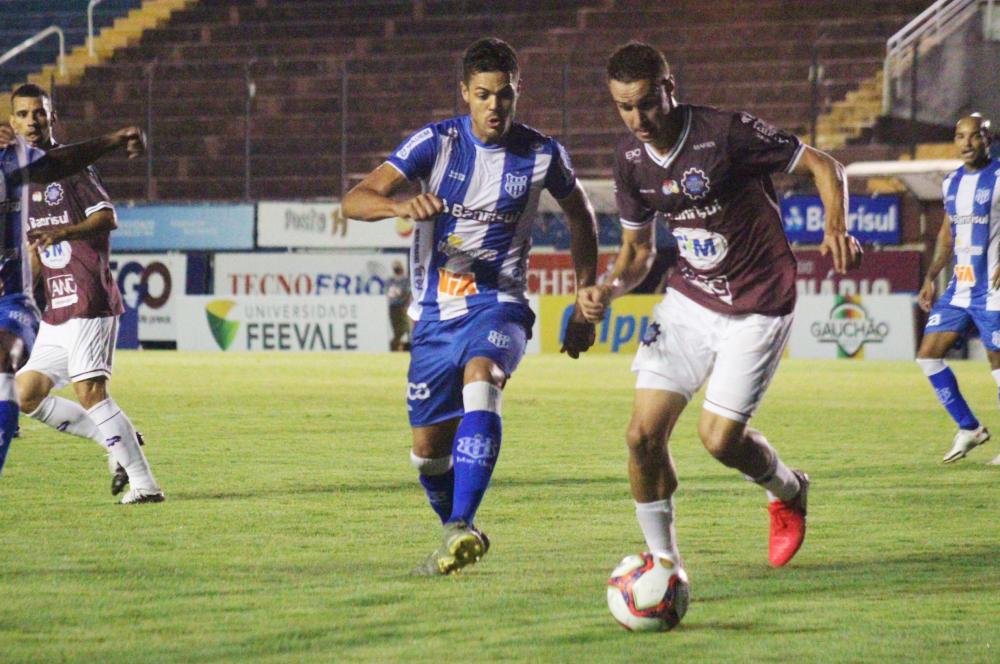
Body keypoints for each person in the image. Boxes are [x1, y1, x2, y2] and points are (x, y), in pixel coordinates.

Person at [577, 42, 861, 571]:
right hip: (689, 300)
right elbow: (637, 254)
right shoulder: (630, 161)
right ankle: (663, 567)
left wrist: (835, 225)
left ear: (670, 87)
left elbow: (824, 164)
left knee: (719, 440)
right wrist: (609, 289)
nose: (637, 118)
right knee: (641, 436)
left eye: (646, 102)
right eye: (624, 107)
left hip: (759, 301)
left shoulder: (725, 132)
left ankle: (787, 488)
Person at [342, 37, 599, 575]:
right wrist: (397, 203)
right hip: (436, 316)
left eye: (504, 95)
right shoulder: (434, 144)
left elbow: (582, 217)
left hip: (500, 305)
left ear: (517, 92)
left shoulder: (542, 153)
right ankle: (457, 532)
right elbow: (354, 198)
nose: (494, 107)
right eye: (482, 95)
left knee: (484, 379)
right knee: (428, 456)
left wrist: (582, 294)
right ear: (464, 93)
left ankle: (461, 520)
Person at [8, 84, 162, 503]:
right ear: (12, 123)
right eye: (23, 114)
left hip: (88, 294)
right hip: (56, 308)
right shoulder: (20, 181)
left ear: (52, 117)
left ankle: (145, 486)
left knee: (91, 392)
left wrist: (65, 231)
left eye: (39, 113)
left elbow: (107, 217)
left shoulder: (72, 167)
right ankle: (115, 440)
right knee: (26, 393)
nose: (32, 121)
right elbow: (35, 249)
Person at [916, 114, 1000, 466]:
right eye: (959, 136)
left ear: (988, 139)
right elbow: (947, 233)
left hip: (992, 288)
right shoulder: (951, 183)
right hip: (959, 287)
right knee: (928, 356)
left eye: (974, 136)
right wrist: (931, 275)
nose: (966, 143)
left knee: (997, 365)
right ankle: (969, 428)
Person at [385, 260, 411, 351]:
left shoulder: (390, 281)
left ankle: (396, 346)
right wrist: (406, 303)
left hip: (394, 306)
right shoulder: (404, 280)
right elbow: (406, 294)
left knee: (401, 330)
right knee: (404, 329)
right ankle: (396, 347)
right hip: (399, 306)